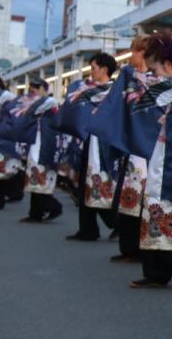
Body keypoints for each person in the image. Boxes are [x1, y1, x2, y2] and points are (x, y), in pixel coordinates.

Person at [91, 33, 172, 288]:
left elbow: (140, 100)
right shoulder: (170, 85)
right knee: (153, 212)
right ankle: (155, 273)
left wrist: (131, 78)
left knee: (163, 211)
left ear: (165, 62)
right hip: (159, 156)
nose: (152, 72)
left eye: (154, 66)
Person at [60, 53, 120, 241]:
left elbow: (76, 97)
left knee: (99, 183)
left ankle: (117, 224)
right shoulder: (98, 89)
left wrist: (82, 89)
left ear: (104, 69)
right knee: (88, 183)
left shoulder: (111, 89)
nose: (91, 72)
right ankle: (88, 228)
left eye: (93, 68)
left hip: (102, 144)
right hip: (91, 140)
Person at [107, 36, 151, 264]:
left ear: (143, 52)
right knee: (129, 197)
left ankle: (141, 248)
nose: (131, 56)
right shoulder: (129, 76)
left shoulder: (157, 80)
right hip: (132, 145)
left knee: (142, 198)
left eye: (134, 51)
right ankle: (129, 248)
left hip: (149, 146)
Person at [21, 78, 63, 224]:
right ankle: (35, 213)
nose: (33, 91)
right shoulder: (39, 102)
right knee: (34, 176)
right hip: (37, 141)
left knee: (40, 177)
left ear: (45, 89)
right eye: (31, 89)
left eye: (36, 88)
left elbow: (30, 110)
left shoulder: (50, 101)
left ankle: (53, 207)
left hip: (45, 143)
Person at [0, 76, 27, 210]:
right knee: (1, 170)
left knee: (1, 170)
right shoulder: (7, 97)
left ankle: (0, 200)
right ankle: (7, 196)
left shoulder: (6, 96)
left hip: (4, 137)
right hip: (3, 136)